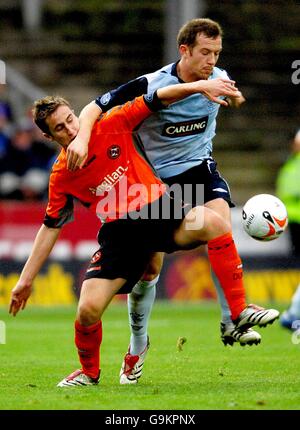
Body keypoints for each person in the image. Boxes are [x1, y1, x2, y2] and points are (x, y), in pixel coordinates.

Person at [9, 82, 279, 388]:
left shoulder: (112, 123)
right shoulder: (61, 174)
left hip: (159, 210)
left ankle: (238, 312)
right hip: (121, 235)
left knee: (215, 224)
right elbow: (51, 225)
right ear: (48, 136)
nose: (70, 129)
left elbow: (156, 98)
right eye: (60, 127)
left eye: (71, 119)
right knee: (87, 310)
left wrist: (200, 86)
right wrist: (25, 280)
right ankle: (90, 373)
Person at [66, 18, 262, 384]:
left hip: (201, 171)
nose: (211, 60)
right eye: (205, 52)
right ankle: (138, 345)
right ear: (184, 50)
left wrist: (234, 97)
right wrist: (80, 139)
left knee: (219, 225)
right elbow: (95, 106)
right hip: (156, 184)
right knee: (150, 270)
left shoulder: (218, 75)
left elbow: (236, 97)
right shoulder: (154, 83)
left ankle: (231, 319)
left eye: (216, 53)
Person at [276, 128, 300, 331]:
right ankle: (293, 314)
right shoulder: (292, 166)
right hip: (296, 221)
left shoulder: (291, 166)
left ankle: (292, 313)